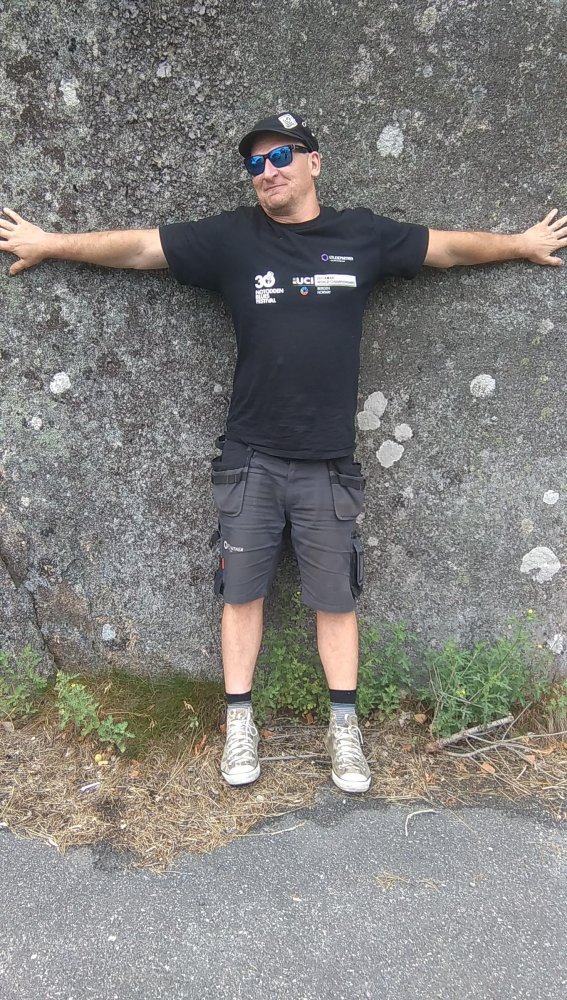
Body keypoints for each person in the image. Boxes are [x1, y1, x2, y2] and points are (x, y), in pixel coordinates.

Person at [2, 112, 565, 794]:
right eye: (255, 164)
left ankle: (344, 730)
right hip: (251, 459)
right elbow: (141, 249)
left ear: (313, 162)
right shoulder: (233, 238)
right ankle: (239, 724)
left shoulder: (361, 234)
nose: (267, 171)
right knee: (241, 596)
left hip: (328, 461)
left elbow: (444, 249)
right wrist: (50, 243)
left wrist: (519, 243)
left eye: (280, 157)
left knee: (336, 600)